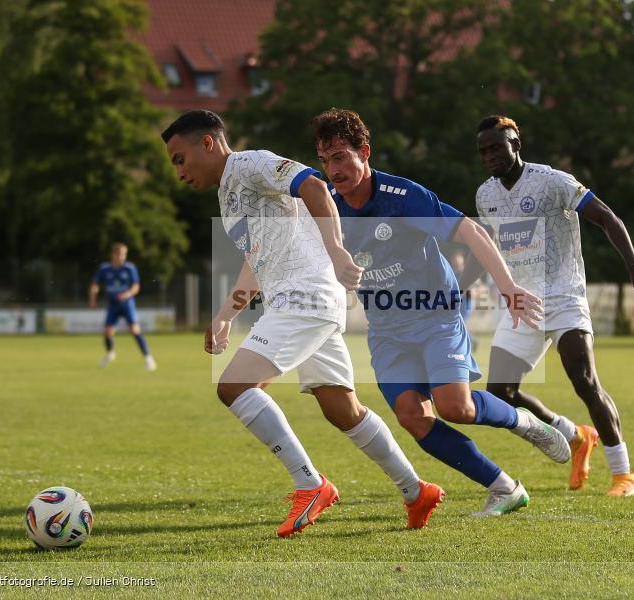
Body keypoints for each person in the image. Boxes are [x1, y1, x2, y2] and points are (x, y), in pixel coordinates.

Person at [160, 110, 444, 537]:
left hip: (305, 296)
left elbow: (313, 185)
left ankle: (309, 484)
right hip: (298, 301)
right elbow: (259, 261)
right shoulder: (229, 195)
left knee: (233, 386)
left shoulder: (250, 163)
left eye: (180, 158)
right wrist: (225, 316)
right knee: (342, 410)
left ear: (207, 143)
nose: (178, 172)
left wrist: (335, 250)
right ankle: (415, 490)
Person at [311, 108, 570, 518]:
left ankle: (525, 423)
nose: (333, 170)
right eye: (325, 161)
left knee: (456, 408)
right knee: (412, 417)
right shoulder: (327, 207)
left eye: (341, 157)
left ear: (365, 153)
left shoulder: (403, 197)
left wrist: (509, 287)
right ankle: (504, 487)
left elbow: (471, 231)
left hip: (435, 314)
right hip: (386, 328)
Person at [467, 114, 634, 496]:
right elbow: (488, 247)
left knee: (585, 382)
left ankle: (624, 475)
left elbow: (606, 217)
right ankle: (573, 436)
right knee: (498, 394)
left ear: (515, 145)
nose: (489, 155)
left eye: (496, 147)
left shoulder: (552, 181)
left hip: (564, 296)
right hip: (523, 303)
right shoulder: (485, 195)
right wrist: (461, 287)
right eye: (483, 150)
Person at [89, 242, 156, 371]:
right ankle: (110, 354)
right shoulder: (104, 268)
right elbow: (95, 284)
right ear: (113, 254)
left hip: (127, 305)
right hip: (113, 306)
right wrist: (93, 296)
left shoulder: (129, 268)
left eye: (124, 254)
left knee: (135, 330)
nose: (122, 257)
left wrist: (127, 294)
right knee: (108, 332)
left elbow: (136, 287)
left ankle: (149, 360)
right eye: (119, 254)